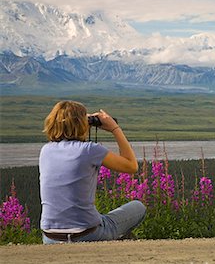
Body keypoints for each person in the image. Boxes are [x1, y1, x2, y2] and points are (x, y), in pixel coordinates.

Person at [39, 100, 146, 244]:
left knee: (97, 217)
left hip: (50, 237)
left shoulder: (46, 150)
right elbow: (131, 166)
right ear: (81, 124)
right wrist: (115, 128)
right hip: (87, 234)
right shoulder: (90, 150)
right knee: (138, 207)